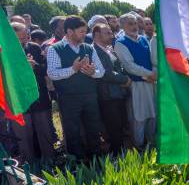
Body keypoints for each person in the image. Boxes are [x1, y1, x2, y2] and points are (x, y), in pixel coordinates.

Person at [47, 16, 105, 160]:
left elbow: (101, 71)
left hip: (90, 96)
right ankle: (78, 163)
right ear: (69, 31)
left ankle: (96, 159)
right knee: (73, 131)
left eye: (85, 31)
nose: (84, 34)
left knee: (93, 128)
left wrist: (93, 73)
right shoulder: (55, 49)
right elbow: (52, 74)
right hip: (69, 98)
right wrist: (73, 69)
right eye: (81, 32)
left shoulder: (88, 48)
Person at [10, 22, 55, 164]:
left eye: (26, 37)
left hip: (39, 98)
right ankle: (30, 165)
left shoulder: (34, 48)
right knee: (24, 135)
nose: (24, 41)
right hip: (18, 100)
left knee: (45, 131)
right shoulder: (4, 54)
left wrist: (35, 66)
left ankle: (50, 161)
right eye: (21, 38)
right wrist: (21, 69)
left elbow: (46, 70)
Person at [115, 13, 156, 149]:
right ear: (122, 26)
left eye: (135, 23)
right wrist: (149, 74)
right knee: (139, 116)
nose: (134, 26)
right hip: (137, 84)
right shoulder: (120, 43)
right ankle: (139, 146)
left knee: (153, 113)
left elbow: (152, 59)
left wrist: (155, 73)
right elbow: (129, 66)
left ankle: (151, 143)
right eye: (130, 24)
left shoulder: (144, 39)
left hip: (151, 82)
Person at [92, 23, 130, 155]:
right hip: (107, 95)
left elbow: (119, 67)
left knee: (120, 124)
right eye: (107, 33)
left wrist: (124, 78)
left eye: (111, 32)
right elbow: (106, 73)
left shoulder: (109, 49)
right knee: (113, 127)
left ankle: (122, 152)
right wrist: (124, 80)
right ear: (97, 35)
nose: (112, 35)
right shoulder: (94, 51)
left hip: (118, 93)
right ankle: (117, 154)